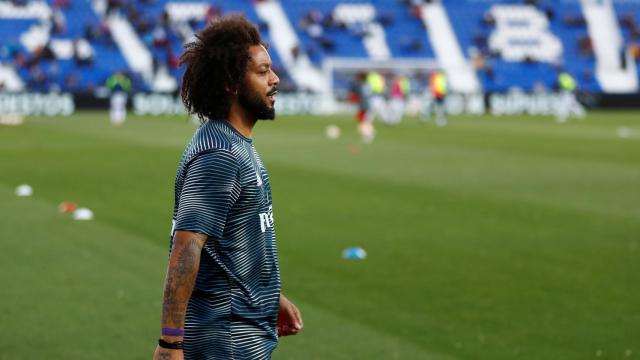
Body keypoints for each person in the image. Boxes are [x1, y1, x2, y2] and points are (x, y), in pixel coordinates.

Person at [153, 15, 303, 360]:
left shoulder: (233, 143)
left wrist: (268, 295)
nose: (275, 79)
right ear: (230, 84)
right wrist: (170, 344)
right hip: (227, 340)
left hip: (242, 330)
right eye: (263, 71)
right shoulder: (221, 153)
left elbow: (228, 245)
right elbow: (187, 247)